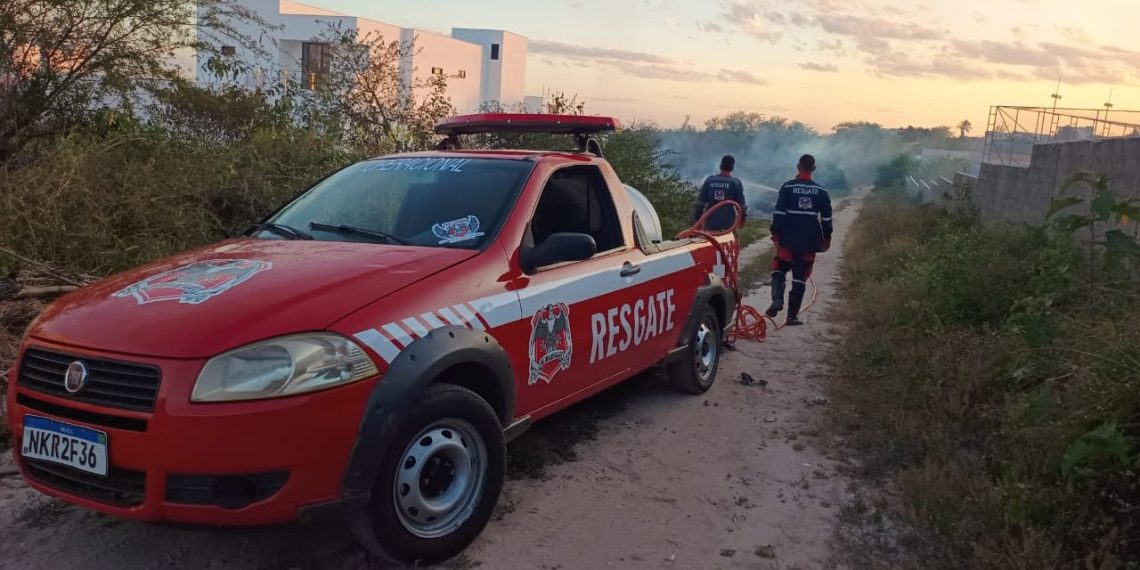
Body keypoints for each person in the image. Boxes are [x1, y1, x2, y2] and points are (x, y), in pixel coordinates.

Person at [766, 154, 833, 326]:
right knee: (800, 278)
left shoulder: (787, 188)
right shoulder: (822, 191)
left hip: (788, 238)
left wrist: (775, 232)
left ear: (798, 166)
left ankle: (778, 299)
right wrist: (827, 238)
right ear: (814, 169)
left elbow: (779, 213)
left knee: (779, 269)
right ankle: (792, 317)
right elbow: (827, 219)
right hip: (809, 241)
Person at [694, 155, 747, 232]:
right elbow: (742, 207)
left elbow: (700, 204)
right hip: (728, 225)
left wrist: (697, 220)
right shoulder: (736, 183)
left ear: (720, 166)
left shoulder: (710, 181)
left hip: (710, 225)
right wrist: (743, 220)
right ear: (732, 168)